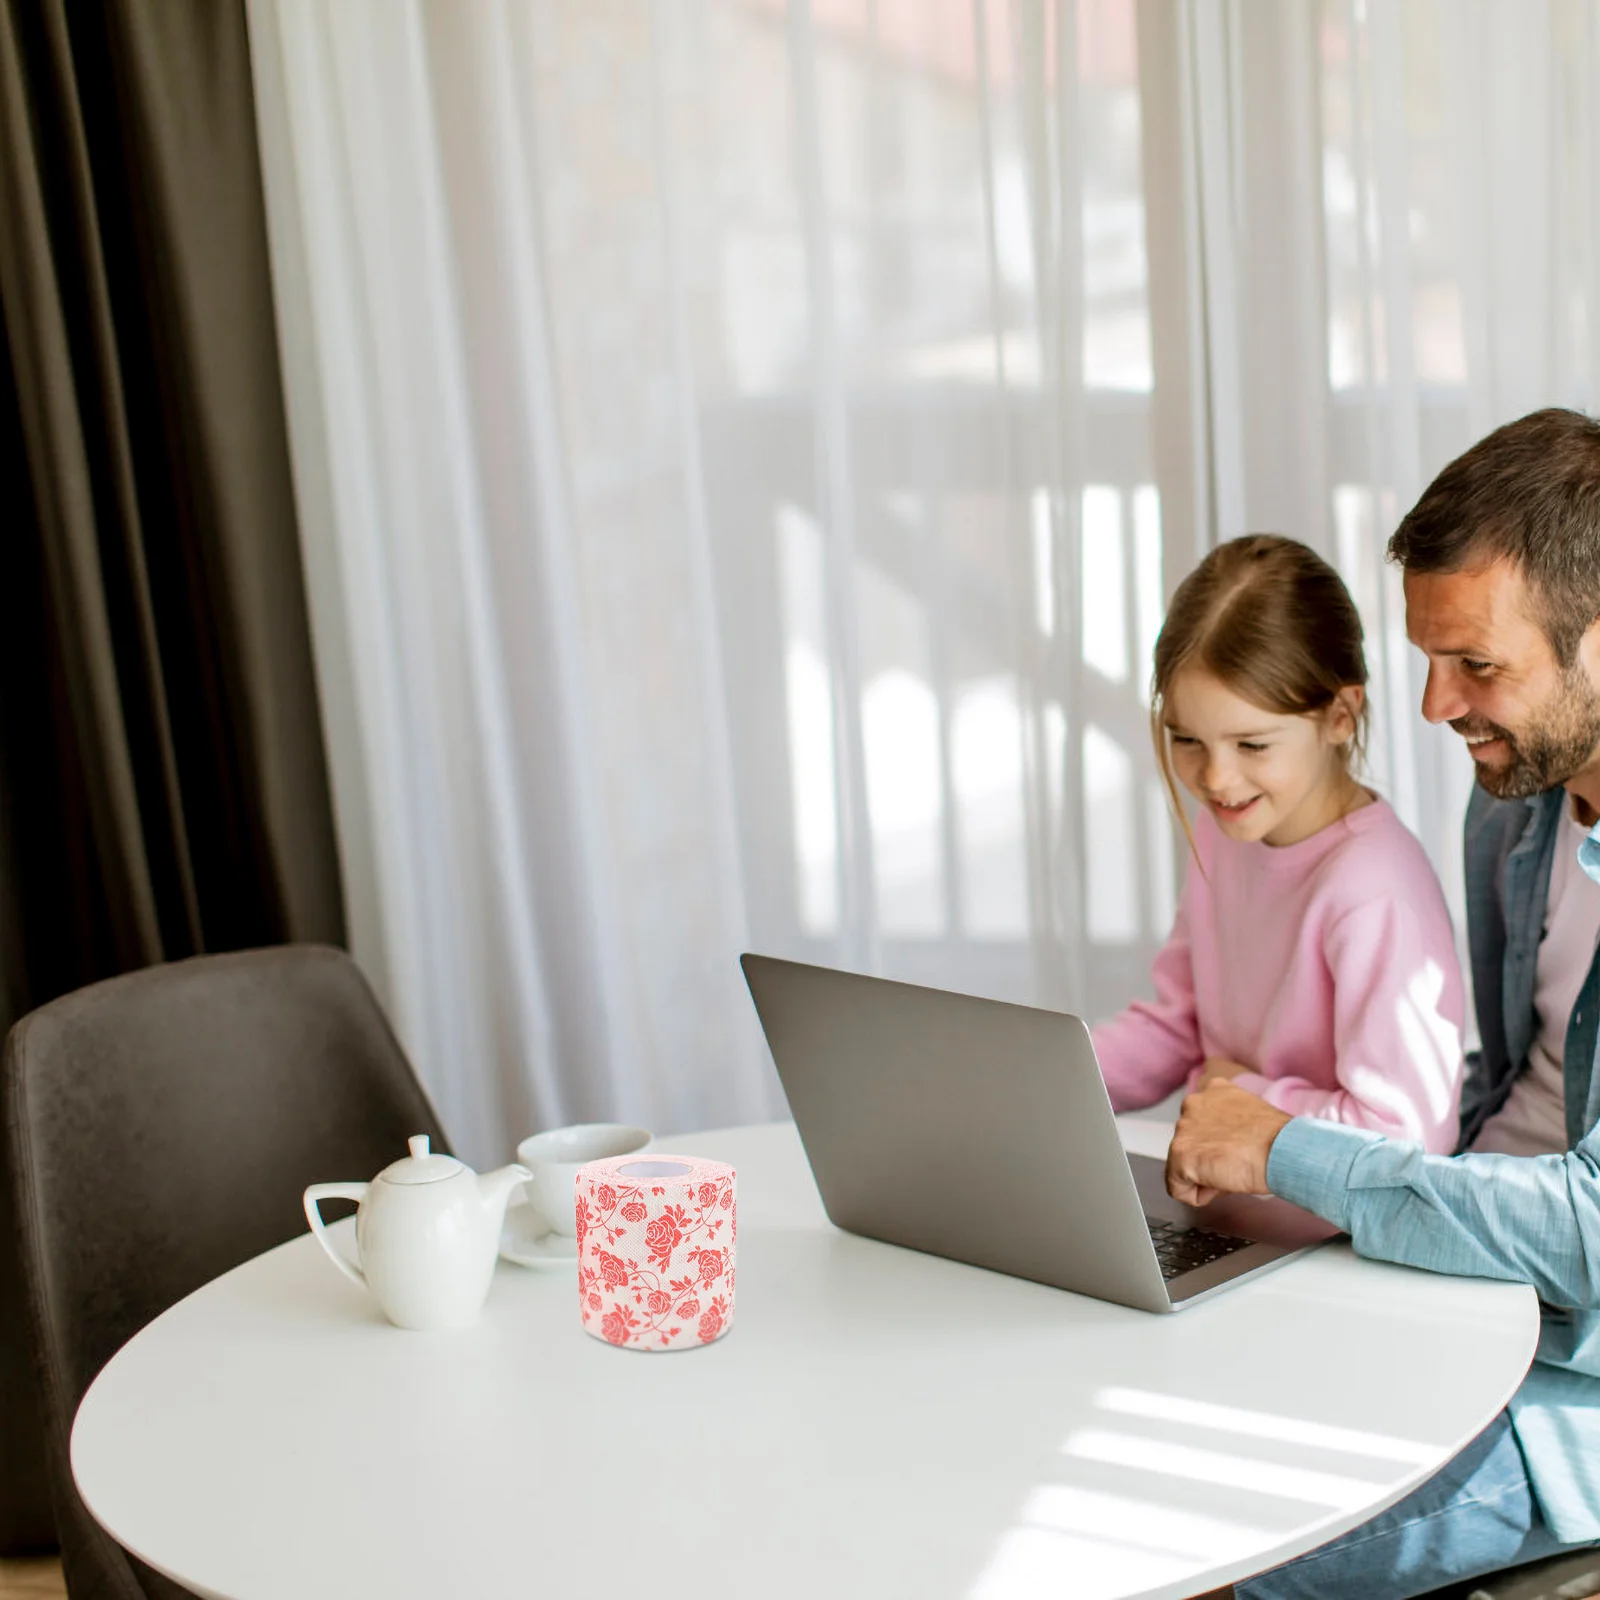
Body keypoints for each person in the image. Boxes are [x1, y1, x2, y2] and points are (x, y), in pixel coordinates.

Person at [1167, 408, 1600, 1600]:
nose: (1431, 705)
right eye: (1425, 658)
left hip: (1573, 1371)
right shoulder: (1515, 802)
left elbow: (1590, 1234)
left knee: (1195, 1566)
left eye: (1476, 665)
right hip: (1452, 1273)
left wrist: (1294, 1148)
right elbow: (1494, 1082)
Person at [1092, 534, 1464, 1152]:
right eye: (1187, 741)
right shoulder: (1224, 833)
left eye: (1252, 745)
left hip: (1330, 1238)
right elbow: (1181, 1024)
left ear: (1340, 717)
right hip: (1232, 1204)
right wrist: (1045, 1083)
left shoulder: (1374, 889)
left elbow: (1409, 1138)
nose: (1216, 778)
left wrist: (1244, 1098)